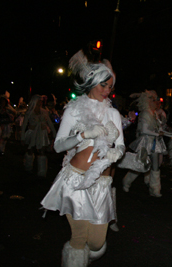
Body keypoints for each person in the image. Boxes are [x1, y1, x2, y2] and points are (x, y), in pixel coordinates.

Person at [40, 50, 125, 266]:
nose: (107, 91)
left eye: (110, 86)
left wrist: (117, 152)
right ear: (92, 82)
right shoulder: (74, 110)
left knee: (96, 243)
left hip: (102, 183)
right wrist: (83, 135)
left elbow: (122, 145)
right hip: (75, 181)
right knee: (79, 238)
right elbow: (59, 146)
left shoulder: (113, 114)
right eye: (103, 85)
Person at [122, 90, 172, 197]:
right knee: (140, 165)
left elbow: (159, 129)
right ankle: (126, 182)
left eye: (155, 99)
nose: (155, 102)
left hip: (155, 143)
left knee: (155, 166)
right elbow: (144, 130)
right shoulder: (145, 113)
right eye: (152, 99)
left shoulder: (154, 113)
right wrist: (157, 133)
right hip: (145, 143)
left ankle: (155, 190)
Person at [21, 95, 57, 177]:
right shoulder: (29, 112)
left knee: (42, 152)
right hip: (32, 133)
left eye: (41, 101)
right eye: (39, 101)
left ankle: (42, 171)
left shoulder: (44, 112)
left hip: (42, 133)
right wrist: (22, 137)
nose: (41, 102)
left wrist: (54, 134)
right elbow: (24, 126)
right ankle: (28, 167)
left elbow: (50, 124)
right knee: (30, 150)